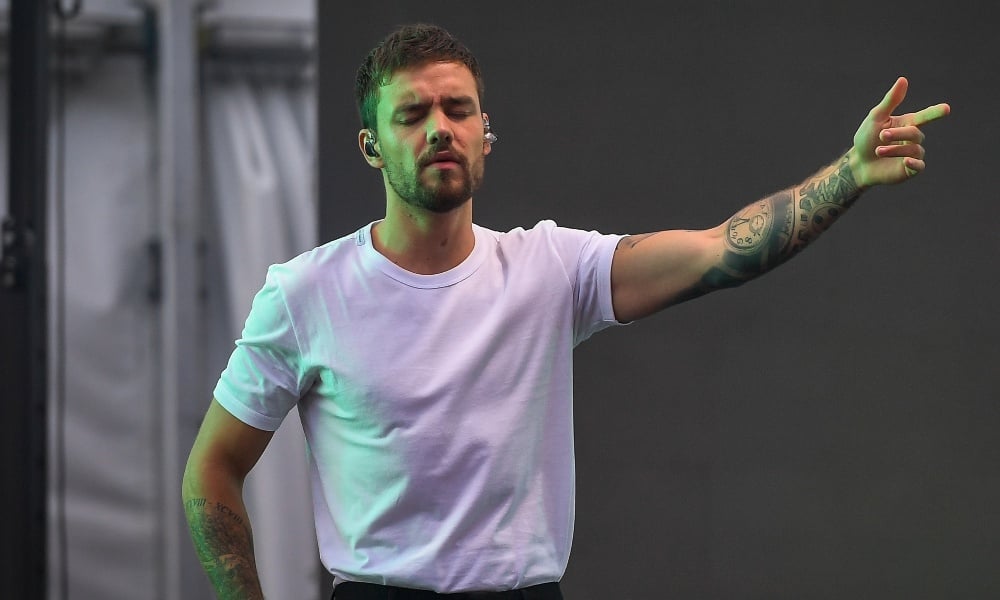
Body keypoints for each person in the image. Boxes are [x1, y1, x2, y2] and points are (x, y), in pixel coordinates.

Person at [182, 23, 950, 600]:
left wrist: (849, 174)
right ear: (371, 145)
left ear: (487, 135)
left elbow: (723, 251)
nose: (439, 128)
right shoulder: (306, 292)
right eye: (412, 114)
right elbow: (212, 469)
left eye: (458, 109)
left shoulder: (551, 268)